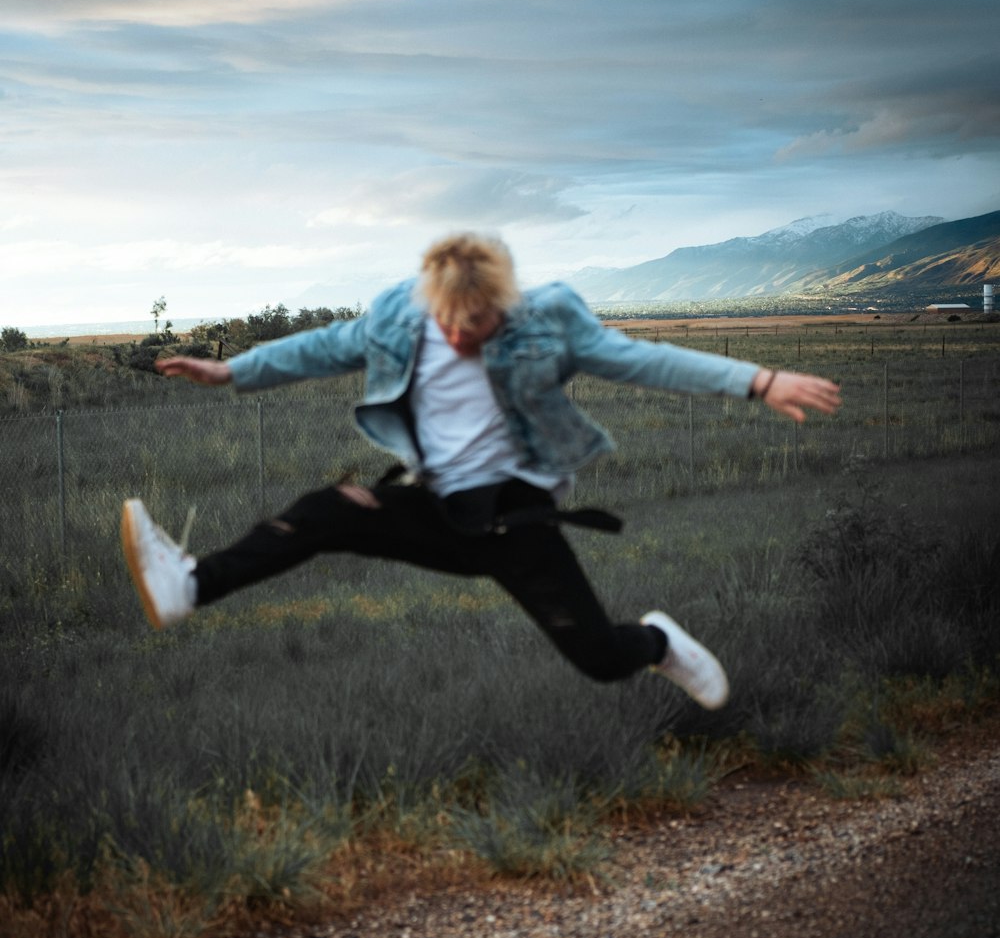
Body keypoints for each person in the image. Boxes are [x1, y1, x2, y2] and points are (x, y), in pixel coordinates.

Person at [121, 232, 840, 710]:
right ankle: (188, 585)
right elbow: (323, 347)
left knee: (597, 657)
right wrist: (232, 370)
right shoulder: (401, 313)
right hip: (437, 510)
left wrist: (758, 380)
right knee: (323, 511)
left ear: (504, 304)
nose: (462, 336)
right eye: (450, 324)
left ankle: (656, 642)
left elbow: (643, 358)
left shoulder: (548, 318)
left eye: (479, 324)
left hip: (514, 518)